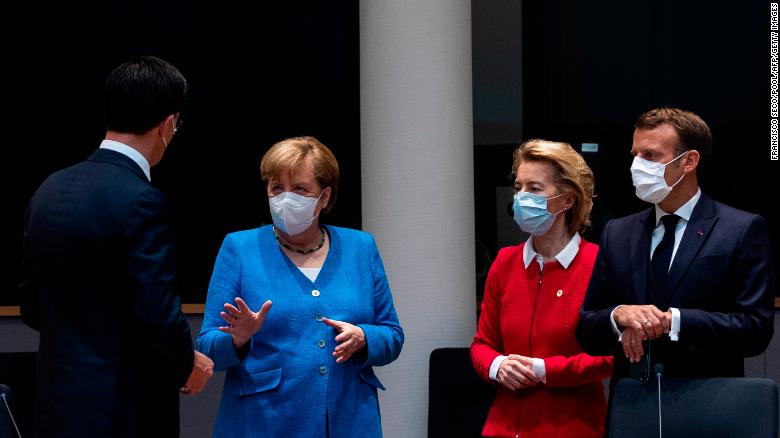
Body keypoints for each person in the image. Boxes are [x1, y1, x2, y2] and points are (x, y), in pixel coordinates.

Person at [19, 56, 213, 437]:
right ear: (168, 125)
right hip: (124, 412)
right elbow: (158, 316)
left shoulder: (49, 189)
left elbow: (30, 305)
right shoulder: (141, 199)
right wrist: (188, 363)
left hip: (55, 406)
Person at [197, 136, 404, 438]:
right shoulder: (240, 248)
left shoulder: (361, 247)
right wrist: (238, 339)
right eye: (276, 188)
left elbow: (393, 335)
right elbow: (207, 346)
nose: (285, 199)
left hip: (349, 419)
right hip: (264, 421)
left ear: (324, 196)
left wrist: (364, 337)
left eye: (300, 189)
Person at [576, 107, 775, 383]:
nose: (637, 166)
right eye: (635, 155)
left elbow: (756, 331)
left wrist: (673, 321)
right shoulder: (618, 233)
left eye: (651, 156)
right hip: (633, 403)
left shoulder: (740, 229)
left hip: (707, 402)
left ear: (689, 161)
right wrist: (618, 316)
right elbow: (586, 329)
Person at [470, 139, 613, 437]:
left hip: (573, 426)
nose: (521, 197)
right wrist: (498, 366)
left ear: (567, 200)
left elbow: (612, 356)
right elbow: (482, 345)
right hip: (503, 426)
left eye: (534, 189)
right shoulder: (504, 262)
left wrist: (544, 370)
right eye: (518, 187)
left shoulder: (598, 264)